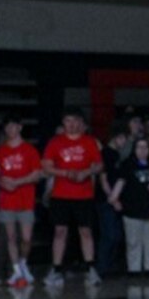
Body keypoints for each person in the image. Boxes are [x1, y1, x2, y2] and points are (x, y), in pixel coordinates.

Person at [41, 106, 103, 287]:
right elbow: (46, 165)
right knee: (60, 231)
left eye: (75, 121)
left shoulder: (89, 142)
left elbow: (99, 165)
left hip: (84, 195)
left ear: (81, 124)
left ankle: (91, 269)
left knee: (85, 231)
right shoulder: (55, 142)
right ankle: (56, 269)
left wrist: (86, 172)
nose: (72, 125)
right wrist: (65, 173)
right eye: (68, 121)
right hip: (61, 194)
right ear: (63, 123)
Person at [109, 138, 149, 276]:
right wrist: (114, 199)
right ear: (134, 149)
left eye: (145, 147)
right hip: (132, 210)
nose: (142, 151)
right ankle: (134, 269)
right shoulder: (127, 164)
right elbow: (120, 182)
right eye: (139, 147)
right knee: (133, 242)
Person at [0, 115, 42, 287]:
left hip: (25, 200)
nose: (10, 130)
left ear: (20, 128)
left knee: (27, 239)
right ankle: (16, 270)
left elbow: (36, 174)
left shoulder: (29, 150)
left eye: (13, 126)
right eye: (7, 127)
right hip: (7, 201)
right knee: (11, 236)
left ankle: (22, 263)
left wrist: (17, 182)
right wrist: (3, 183)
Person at [95, 126, 127, 278]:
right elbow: (103, 179)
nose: (124, 142)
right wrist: (112, 199)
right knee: (109, 235)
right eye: (122, 138)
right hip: (106, 200)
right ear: (115, 137)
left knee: (116, 235)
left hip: (115, 199)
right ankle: (102, 267)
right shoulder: (106, 154)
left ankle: (110, 266)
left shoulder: (117, 154)